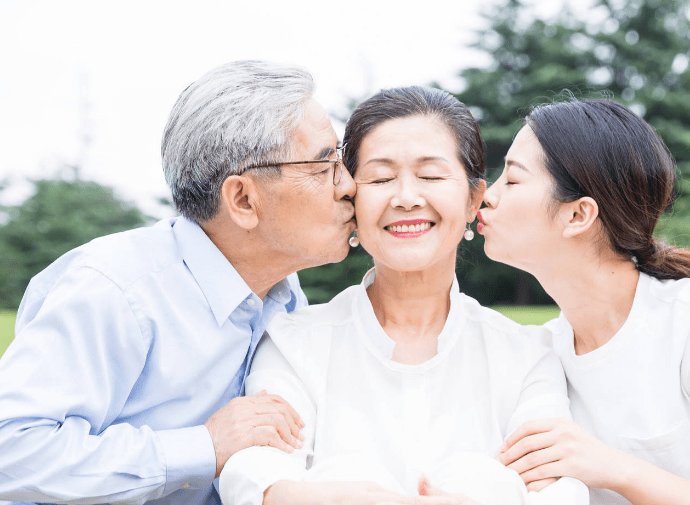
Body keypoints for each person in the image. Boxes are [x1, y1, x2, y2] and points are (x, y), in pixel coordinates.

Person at [0, 60, 357, 505]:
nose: (349, 185)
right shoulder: (115, 289)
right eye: (324, 166)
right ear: (243, 199)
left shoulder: (283, 295)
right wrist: (203, 447)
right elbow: (8, 450)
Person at [218, 86, 590, 505]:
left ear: (473, 199)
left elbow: (559, 489)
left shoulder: (525, 354)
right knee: (345, 476)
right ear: (351, 200)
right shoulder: (294, 341)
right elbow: (256, 471)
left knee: (481, 479)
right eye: (380, 178)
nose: (407, 198)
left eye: (431, 176)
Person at [478, 98, 690, 505]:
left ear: (578, 216)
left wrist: (613, 468)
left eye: (511, 180)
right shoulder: (540, 354)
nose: (487, 196)